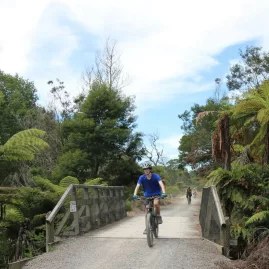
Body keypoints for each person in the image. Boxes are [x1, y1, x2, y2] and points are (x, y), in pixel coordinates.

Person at [132, 162, 167, 234]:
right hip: (147, 195)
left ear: (150, 169)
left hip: (156, 194)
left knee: (156, 203)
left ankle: (158, 216)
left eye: (147, 169)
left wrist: (163, 193)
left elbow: (161, 184)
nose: (146, 171)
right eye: (144, 169)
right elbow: (137, 186)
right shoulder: (142, 177)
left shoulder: (156, 176)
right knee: (147, 210)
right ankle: (147, 227)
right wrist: (134, 194)